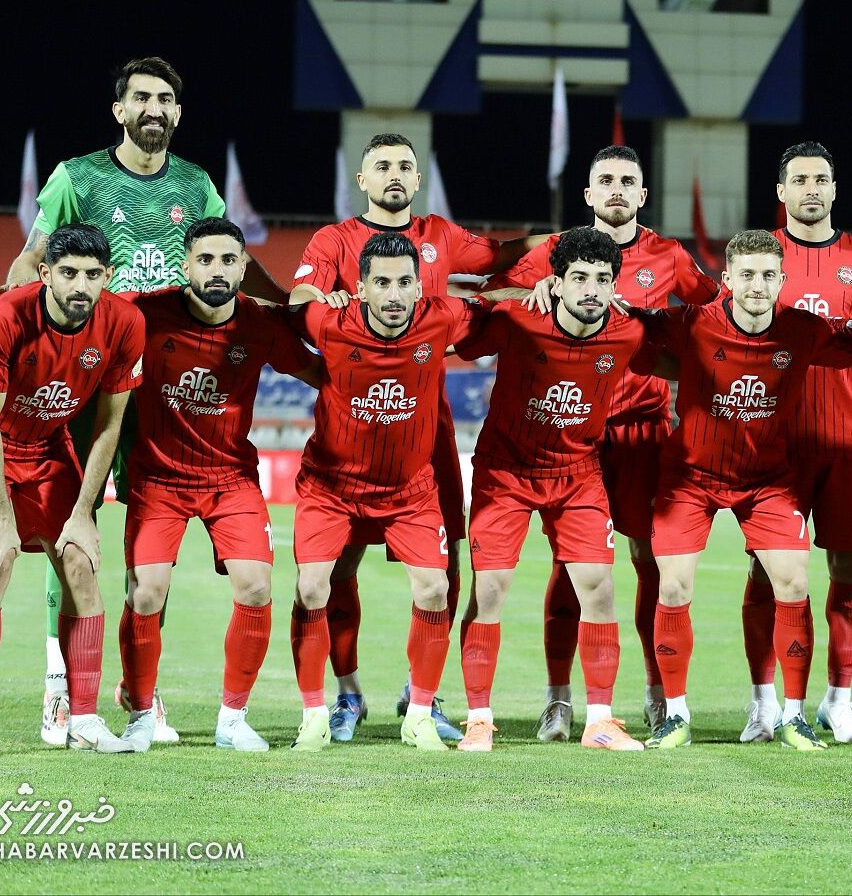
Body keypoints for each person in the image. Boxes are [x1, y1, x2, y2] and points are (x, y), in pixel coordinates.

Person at [2, 57, 286, 746]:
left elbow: (229, 260)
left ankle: (141, 694)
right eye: (141, 98)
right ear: (120, 110)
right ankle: (59, 690)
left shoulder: (196, 184)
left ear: (177, 113)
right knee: (72, 531)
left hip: (160, 393)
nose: (153, 108)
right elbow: (33, 258)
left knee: (148, 554)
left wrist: (293, 302)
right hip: (89, 380)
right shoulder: (77, 177)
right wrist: (9, 305)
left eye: (165, 99)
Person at [288, 133, 539, 743]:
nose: (395, 174)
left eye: (405, 165)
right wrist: (324, 298)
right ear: (363, 180)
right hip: (353, 431)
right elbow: (299, 299)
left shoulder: (441, 236)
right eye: (383, 166)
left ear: (418, 178)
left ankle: (421, 694)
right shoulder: (334, 241)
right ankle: (346, 693)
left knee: (444, 561)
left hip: (428, 424)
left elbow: (499, 262)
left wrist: (560, 246)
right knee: (336, 565)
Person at [481, 145, 718, 742]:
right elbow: (490, 302)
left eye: (627, 181)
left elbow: (714, 314)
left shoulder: (670, 256)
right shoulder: (556, 252)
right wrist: (533, 290)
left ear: (642, 194)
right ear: (588, 194)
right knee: (571, 565)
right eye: (605, 180)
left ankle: (657, 691)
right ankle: (559, 698)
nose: (617, 189)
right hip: (565, 437)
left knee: (647, 562)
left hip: (641, 431)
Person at [645, 230, 852, 751]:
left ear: (783, 280)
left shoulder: (803, 329)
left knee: (794, 581)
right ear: (726, 280)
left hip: (768, 482)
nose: (757, 285)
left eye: (768, 275)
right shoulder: (691, 322)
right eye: (746, 275)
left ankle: (793, 716)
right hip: (690, 479)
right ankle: (675, 715)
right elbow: (623, 324)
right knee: (673, 587)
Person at [116, 218, 320, 753]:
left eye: (229, 260)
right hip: (158, 478)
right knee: (146, 592)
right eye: (205, 260)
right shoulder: (143, 313)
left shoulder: (261, 324)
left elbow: (324, 375)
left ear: (243, 267)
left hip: (230, 479)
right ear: (185, 266)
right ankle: (140, 715)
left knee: (255, 586)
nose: (216, 270)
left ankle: (232, 720)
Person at [0, 224, 145, 757]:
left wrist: (83, 512)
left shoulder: (125, 323)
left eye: (93, 274)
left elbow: (108, 426)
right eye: (69, 272)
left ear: (108, 276)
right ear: (45, 273)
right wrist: (1, 517)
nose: (81, 285)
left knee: (79, 561)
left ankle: (85, 720)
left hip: (46, 442)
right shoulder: (5, 316)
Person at [452, 226, 652, 753]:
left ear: (614, 285)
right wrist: (518, 292)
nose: (591, 289)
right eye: (579, 278)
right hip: (506, 473)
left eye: (602, 279)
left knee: (599, 589)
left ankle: (600, 721)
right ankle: (479, 720)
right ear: (556, 282)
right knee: (489, 592)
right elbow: (460, 320)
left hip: (578, 473)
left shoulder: (629, 331)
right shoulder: (517, 319)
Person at [286, 232, 489, 751]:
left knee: (435, 588)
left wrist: (545, 290)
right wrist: (313, 297)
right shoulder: (327, 322)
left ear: (420, 287)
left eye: (404, 283)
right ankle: (316, 713)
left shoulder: (442, 317)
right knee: (312, 588)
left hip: (408, 492)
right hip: (332, 488)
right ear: (360, 288)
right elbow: (284, 311)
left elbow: (501, 311)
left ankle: (419, 713)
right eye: (381, 283)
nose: (394, 295)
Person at [736, 142, 852, 746]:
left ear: (834, 188)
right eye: (799, 180)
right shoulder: (758, 258)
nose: (811, 189)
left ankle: (838, 700)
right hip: (773, 447)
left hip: (845, 441)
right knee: (766, 570)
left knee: (849, 568)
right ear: (781, 191)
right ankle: (763, 701)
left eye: (821, 179)